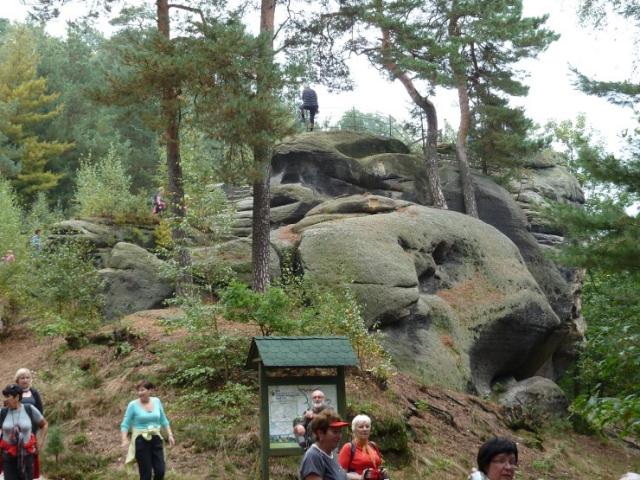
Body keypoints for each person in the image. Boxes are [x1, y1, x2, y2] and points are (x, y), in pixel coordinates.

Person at [120, 380, 175, 480]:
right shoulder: (133, 405)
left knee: (160, 471)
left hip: (156, 438)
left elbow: (163, 419)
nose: (140, 393)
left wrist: (170, 434)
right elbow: (125, 424)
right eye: (138, 391)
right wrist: (124, 439)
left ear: (150, 390)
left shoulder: (157, 401)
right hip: (141, 440)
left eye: (142, 390)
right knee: (146, 474)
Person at [0, 384, 48, 480]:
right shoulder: (2, 412)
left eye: (8, 397)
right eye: (5, 397)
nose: (5, 400)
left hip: (27, 456)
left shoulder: (29, 409)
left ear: (17, 397)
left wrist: (40, 443)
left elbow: (44, 425)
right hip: (8, 457)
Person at [299, 409, 349, 480]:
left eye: (340, 431)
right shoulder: (313, 457)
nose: (339, 436)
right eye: (335, 432)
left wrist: (360, 477)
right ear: (320, 433)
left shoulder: (331, 453)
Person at [338, 414, 389, 480]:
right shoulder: (348, 447)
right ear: (354, 430)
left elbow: (377, 466)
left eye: (367, 426)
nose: (365, 429)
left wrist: (382, 472)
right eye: (361, 427)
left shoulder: (373, 445)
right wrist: (360, 477)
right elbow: (340, 474)